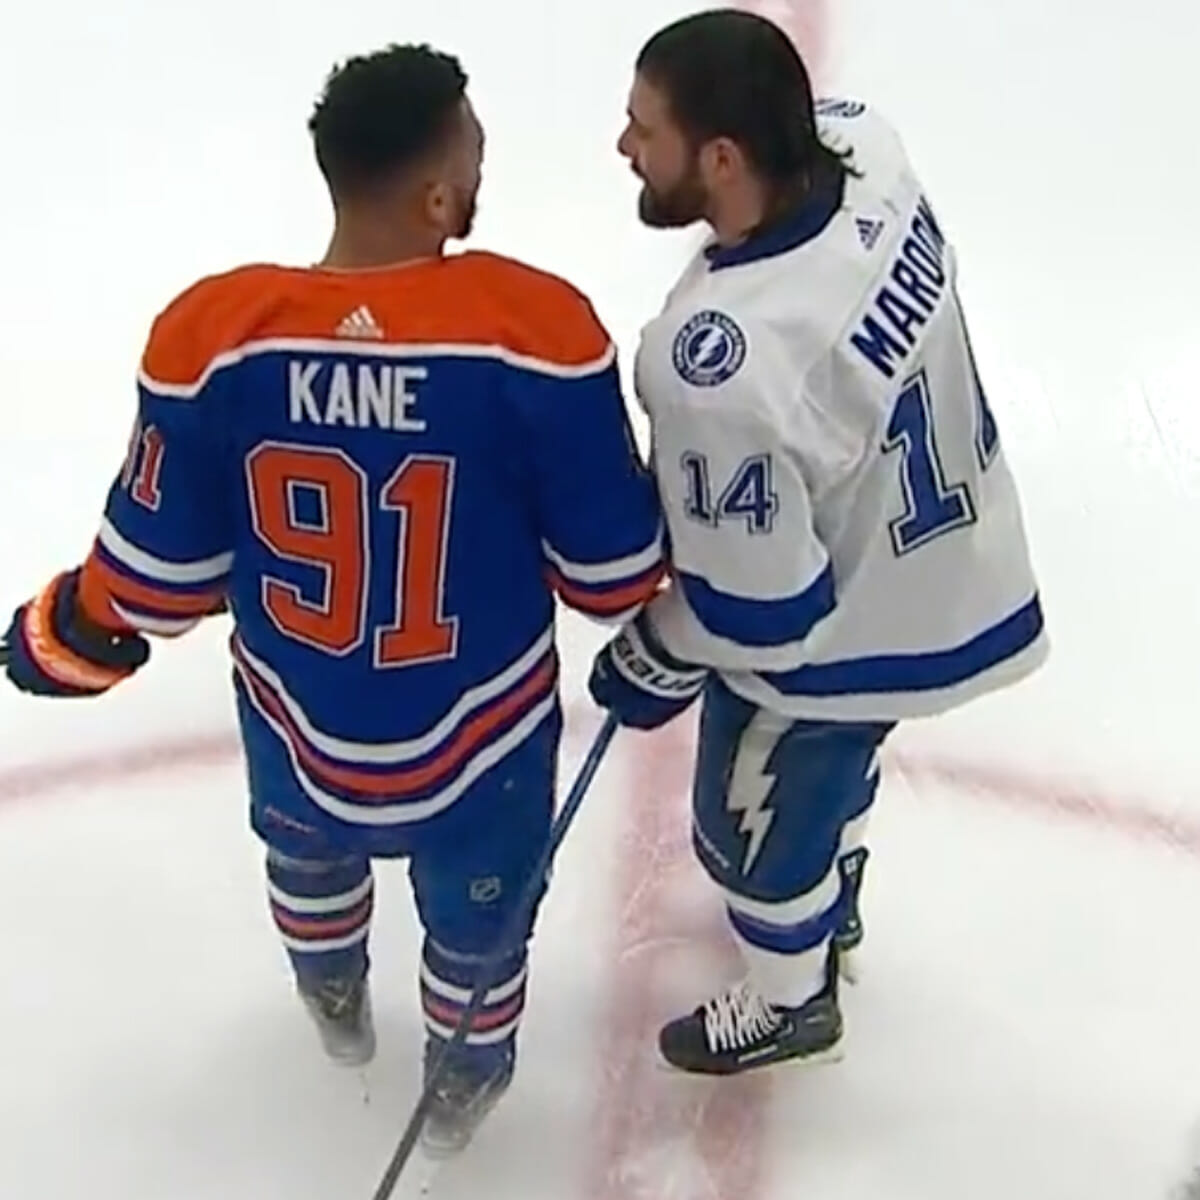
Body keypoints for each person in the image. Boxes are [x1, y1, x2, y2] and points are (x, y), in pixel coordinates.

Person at [1, 44, 664, 1153]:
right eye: (475, 148)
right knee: (479, 932)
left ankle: (333, 999)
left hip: (300, 721)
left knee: (307, 867)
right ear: (441, 192)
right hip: (482, 737)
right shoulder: (535, 332)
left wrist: (62, 637)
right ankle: (456, 1095)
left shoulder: (212, 336)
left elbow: (153, 581)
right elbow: (613, 578)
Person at [589, 9, 1048, 1077]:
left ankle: (794, 997)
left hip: (853, 624)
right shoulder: (869, 155)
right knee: (838, 772)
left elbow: (763, 612)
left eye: (642, 128)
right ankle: (831, 898)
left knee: (746, 823)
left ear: (721, 156)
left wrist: (653, 649)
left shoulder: (727, 367)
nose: (623, 148)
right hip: (946, 550)